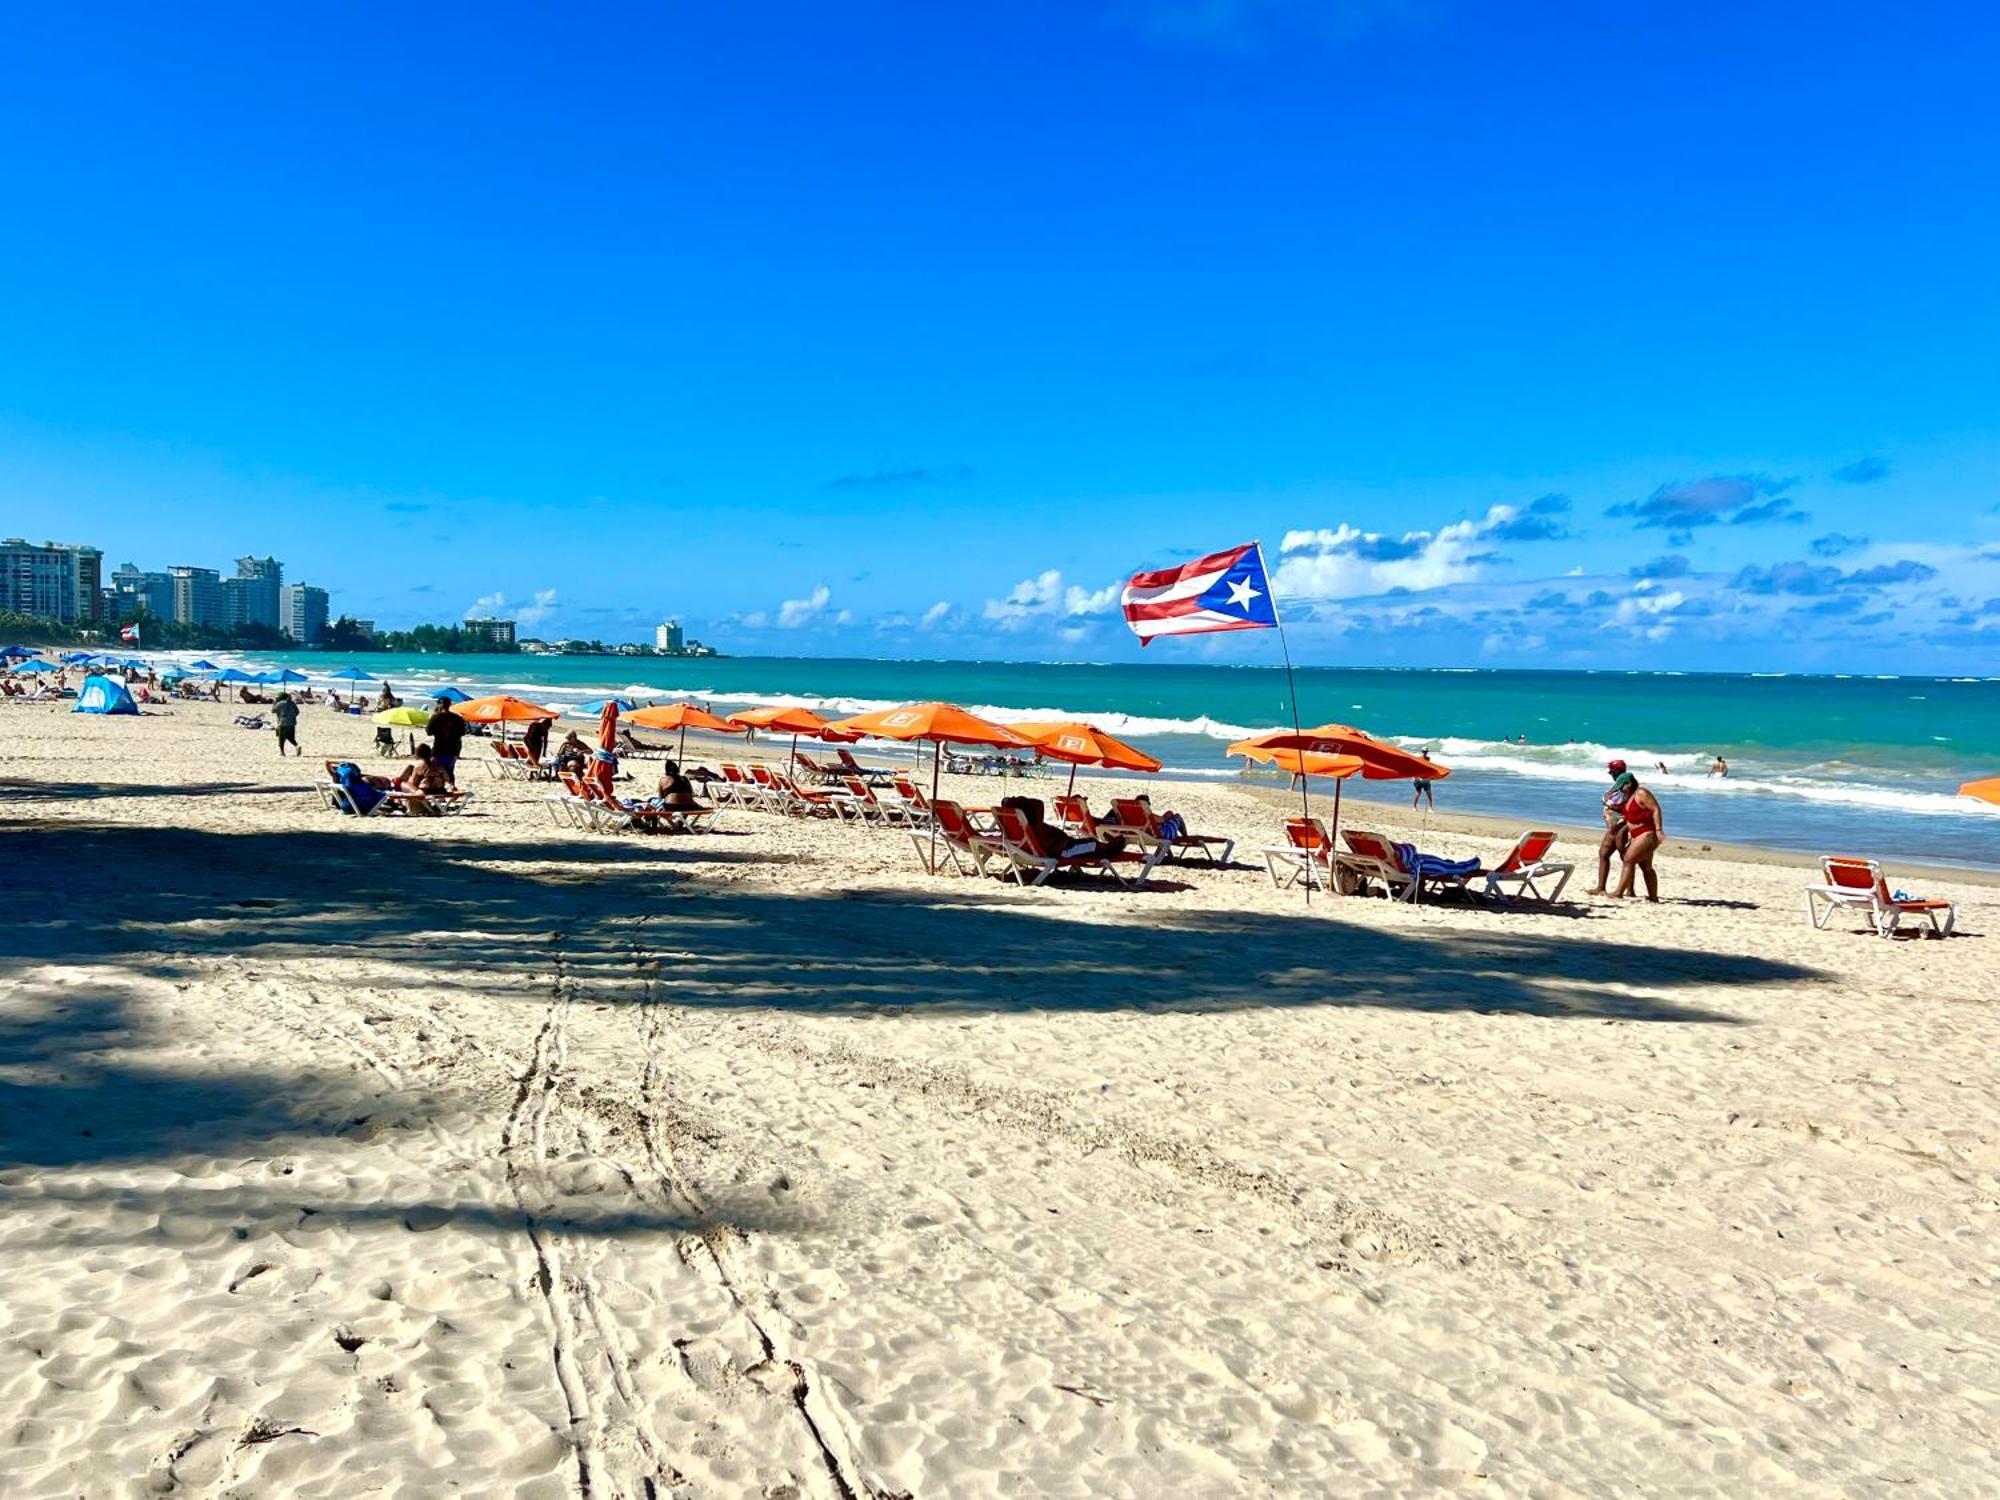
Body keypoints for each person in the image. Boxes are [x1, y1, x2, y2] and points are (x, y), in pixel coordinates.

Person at [1613, 773, 1664, 901]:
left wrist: (1659, 829)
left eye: (1622, 786)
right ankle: (1653, 897)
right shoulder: (1628, 798)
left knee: (1628, 860)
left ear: (1629, 784)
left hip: (1646, 833)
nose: (1620, 789)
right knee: (1646, 867)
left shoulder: (1641, 793)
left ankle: (1618, 892)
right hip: (1637, 835)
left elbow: (1656, 809)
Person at [1589, 760, 1637, 895]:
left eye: (1611, 770)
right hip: (1615, 825)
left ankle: (1627, 890)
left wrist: (1610, 805)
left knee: (1622, 856)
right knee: (1608, 854)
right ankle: (1605, 888)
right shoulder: (1622, 784)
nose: (1610, 773)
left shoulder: (1626, 781)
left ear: (1616, 771)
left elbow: (1626, 807)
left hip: (1620, 825)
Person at [425, 694, 467, 787]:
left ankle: (441, 790)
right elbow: (462, 733)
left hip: (439, 748)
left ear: (440, 705)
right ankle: (451, 788)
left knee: (438, 771)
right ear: (450, 705)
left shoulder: (436, 718)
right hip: (453, 748)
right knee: (450, 771)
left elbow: (428, 731)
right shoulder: (457, 718)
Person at [272, 690, 301, 757]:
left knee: (281, 738)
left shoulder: (280, 703)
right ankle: (297, 746)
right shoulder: (293, 703)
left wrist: (275, 702)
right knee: (290, 737)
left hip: (282, 723)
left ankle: (282, 752)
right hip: (292, 723)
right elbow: (297, 712)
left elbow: (273, 710)